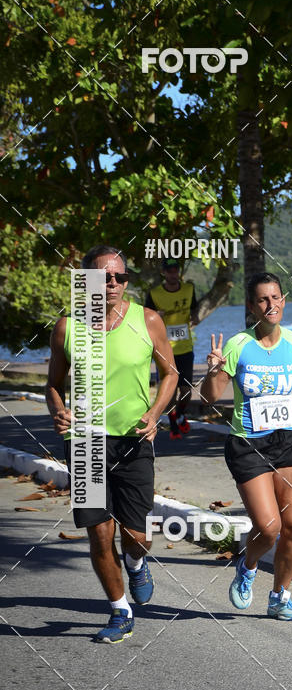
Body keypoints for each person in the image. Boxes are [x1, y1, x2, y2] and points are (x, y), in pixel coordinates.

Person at [46, 245, 178, 643]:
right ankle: (119, 610)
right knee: (99, 533)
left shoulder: (148, 320)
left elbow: (170, 374)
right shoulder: (67, 328)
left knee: (136, 536)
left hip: (133, 441)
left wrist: (155, 414)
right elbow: (53, 384)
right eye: (105, 277)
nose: (115, 284)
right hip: (84, 442)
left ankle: (136, 564)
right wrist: (58, 410)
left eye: (121, 277)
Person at [201, 272, 292, 621]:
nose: (272, 305)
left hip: (289, 442)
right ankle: (248, 565)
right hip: (248, 444)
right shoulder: (238, 345)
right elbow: (209, 399)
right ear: (252, 307)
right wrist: (212, 371)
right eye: (263, 300)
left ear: (284, 301)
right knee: (268, 528)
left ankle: (280, 596)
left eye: (277, 298)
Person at [145, 258, 200, 439]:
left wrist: (194, 317)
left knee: (186, 390)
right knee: (169, 389)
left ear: (179, 272)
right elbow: (145, 319)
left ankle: (180, 413)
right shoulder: (154, 294)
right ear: (164, 273)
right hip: (164, 349)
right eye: (169, 271)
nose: (173, 274)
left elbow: (195, 309)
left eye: (175, 270)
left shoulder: (189, 289)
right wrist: (156, 317)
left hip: (185, 347)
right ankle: (174, 424)